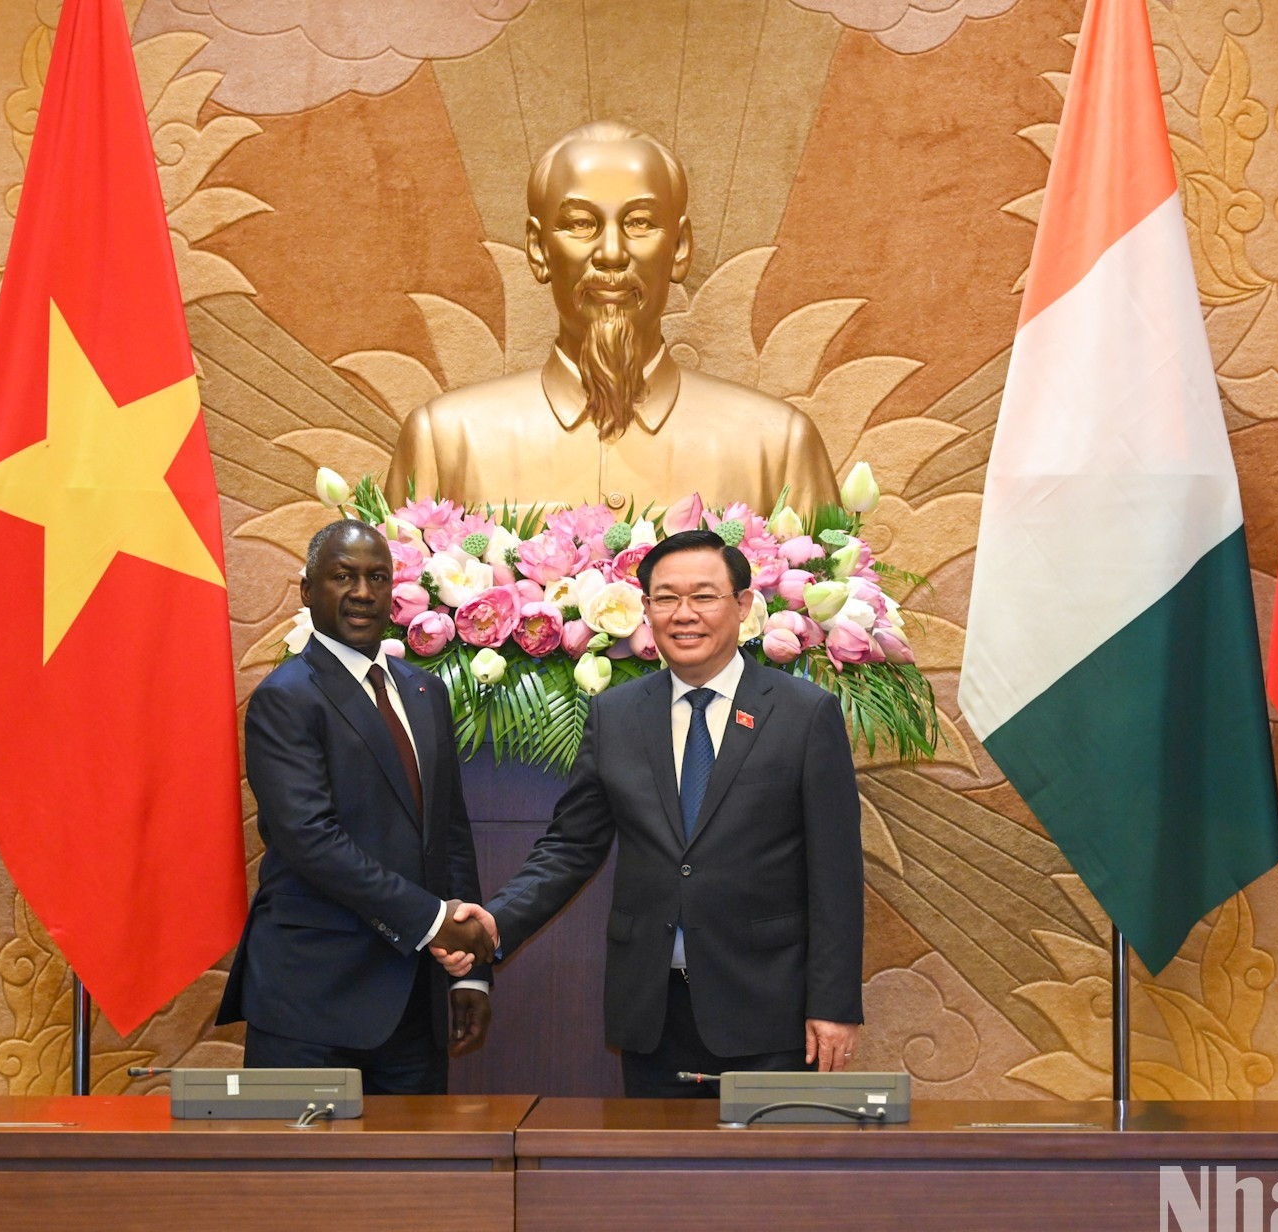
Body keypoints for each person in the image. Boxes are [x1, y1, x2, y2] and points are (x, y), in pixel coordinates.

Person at [441, 529, 864, 1097]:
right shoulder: (615, 715)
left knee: (765, 1182)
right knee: (656, 1180)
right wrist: (498, 921)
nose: (683, 614)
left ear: (743, 606)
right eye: (665, 598)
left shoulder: (804, 714)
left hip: (769, 1008)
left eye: (704, 596)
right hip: (653, 1007)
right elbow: (571, 845)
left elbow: (836, 874)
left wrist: (833, 1004)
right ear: (645, 610)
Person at [384, 121, 840, 515]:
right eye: (581, 224)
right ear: (539, 250)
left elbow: (826, 604)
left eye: (640, 223)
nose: (611, 254)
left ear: (679, 248)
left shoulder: (778, 448)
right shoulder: (445, 443)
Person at [216, 519, 494, 1092]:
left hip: (415, 1002)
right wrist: (437, 924)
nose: (363, 592)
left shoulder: (424, 692)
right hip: (312, 1003)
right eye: (343, 577)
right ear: (307, 591)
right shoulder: (285, 698)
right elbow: (310, 840)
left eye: (377, 577)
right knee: (305, 1181)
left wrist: (472, 976)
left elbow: (450, 835)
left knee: (412, 1178)